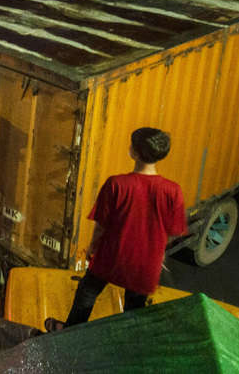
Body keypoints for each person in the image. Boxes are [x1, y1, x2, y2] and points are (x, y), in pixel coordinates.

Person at [46, 127, 188, 331]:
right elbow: (174, 231)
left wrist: (92, 248)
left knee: (87, 292)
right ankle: (126, 344)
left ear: (136, 152)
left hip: (112, 257)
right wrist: (157, 253)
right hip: (145, 265)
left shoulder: (117, 184)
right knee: (134, 307)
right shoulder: (172, 191)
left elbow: (101, 226)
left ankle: (71, 331)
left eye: (132, 144)